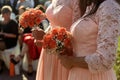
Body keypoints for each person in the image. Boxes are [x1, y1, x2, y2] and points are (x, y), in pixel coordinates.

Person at [58, 0, 120, 80]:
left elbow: (106, 60)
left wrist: (71, 61)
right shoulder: (92, 6)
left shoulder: (109, 7)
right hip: (77, 74)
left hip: (95, 76)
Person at [32, 0, 81, 80]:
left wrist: (46, 36)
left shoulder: (77, 2)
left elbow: (77, 31)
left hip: (65, 52)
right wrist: (43, 38)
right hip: (50, 51)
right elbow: (52, 23)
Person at [0, 5, 19, 71]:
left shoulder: (13, 23)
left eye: (9, 14)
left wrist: (4, 34)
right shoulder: (0, 23)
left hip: (10, 41)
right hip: (2, 40)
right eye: (6, 14)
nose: (8, 15)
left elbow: (15, 36)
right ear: (2, 14)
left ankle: (1, 65)